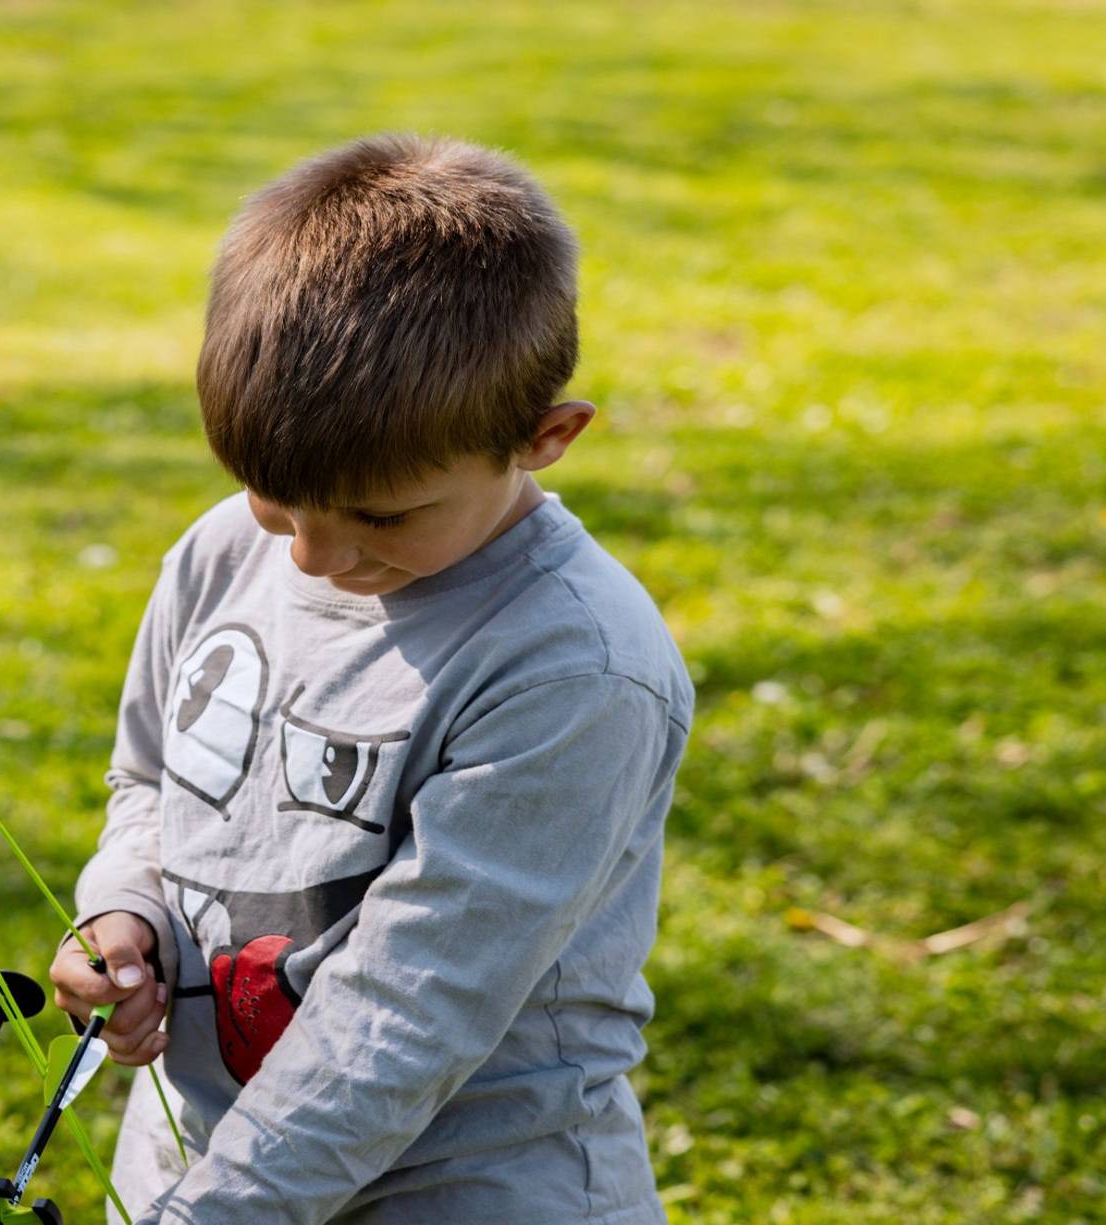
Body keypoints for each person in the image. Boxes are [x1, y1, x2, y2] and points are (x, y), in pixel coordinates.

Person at [48, 133, 693, 1224]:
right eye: (271, 494)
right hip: (196, 1167)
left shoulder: (569, 662)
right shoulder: (220, 554)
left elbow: (412, 1005)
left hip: (468, 1189)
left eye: (381, 515)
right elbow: (154, 789)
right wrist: (125, 914)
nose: (308, 555)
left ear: (544, 437)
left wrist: (219, 1210)